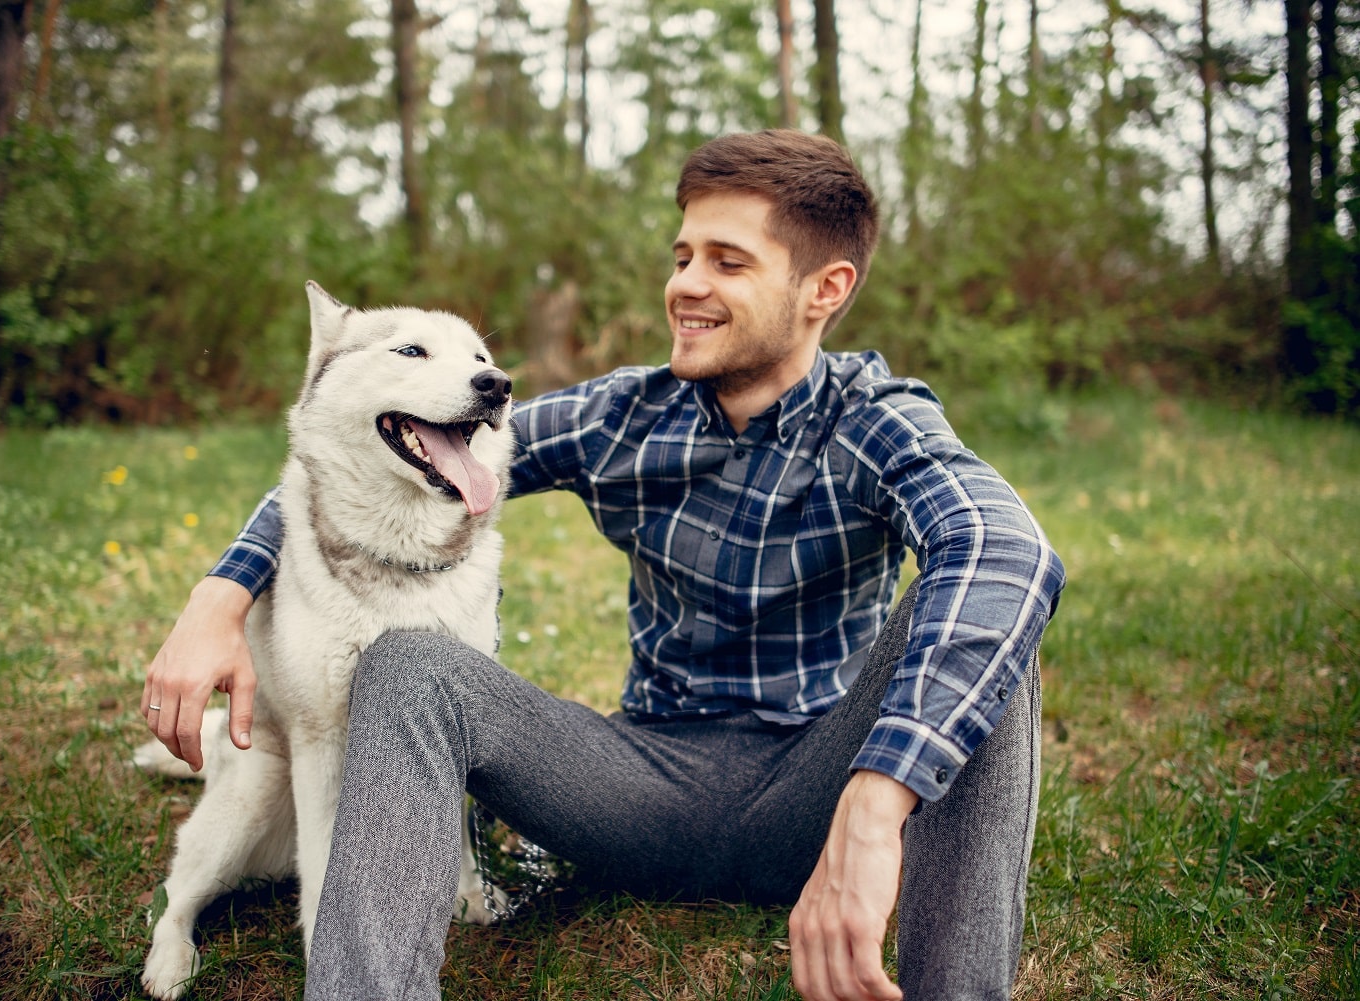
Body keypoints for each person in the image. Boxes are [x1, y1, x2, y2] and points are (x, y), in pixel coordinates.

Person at [142, 129, 1065, 1001]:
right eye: (683, 255)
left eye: (727, 261)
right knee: (409, 664)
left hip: (815, 788)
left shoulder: (876, 418)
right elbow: (361, 462)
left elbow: (1009, 551)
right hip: (638, 784)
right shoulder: (625, 416)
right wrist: (220, 593)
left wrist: (876, 797)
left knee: (988, 622)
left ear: (825, 289)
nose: (687, 284)